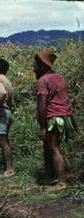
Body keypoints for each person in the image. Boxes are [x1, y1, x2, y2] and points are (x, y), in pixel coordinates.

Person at [34, 49, 74, 192]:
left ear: (42, 65)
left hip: (53, 118)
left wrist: (43, 126)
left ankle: (62, 182)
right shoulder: (60, 78)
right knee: (51, 146)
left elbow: (43, 105)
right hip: (64, 116)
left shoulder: (43, 80)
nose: (33, 67)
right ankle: (52, 177)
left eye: (36, 64)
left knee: (53, 148)